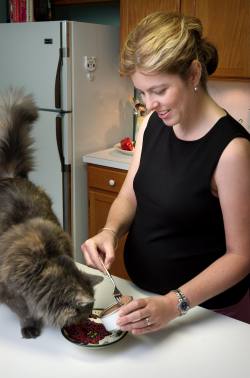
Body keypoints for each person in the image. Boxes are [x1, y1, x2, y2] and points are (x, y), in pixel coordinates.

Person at [81, 12, 250, 333]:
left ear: (193, 74)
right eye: (142, 92)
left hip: (205, 314)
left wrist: (174, 304)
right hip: (145, 300)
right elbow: (130, 195)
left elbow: (241, 256)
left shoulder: (232, 150)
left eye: (159, 90)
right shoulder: (152, 125)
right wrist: (109, 231)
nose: (149, 103)